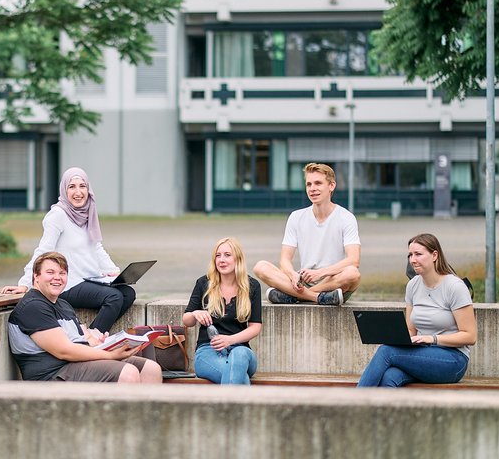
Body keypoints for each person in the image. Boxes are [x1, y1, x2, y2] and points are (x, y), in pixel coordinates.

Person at [2, 167, 133, 333]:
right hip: (68, 283)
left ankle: (93, 333)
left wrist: (114, 272)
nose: (78, 192)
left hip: (89, 279)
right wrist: (25, 284)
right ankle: (90, 340)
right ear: (64, 190)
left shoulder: (87, 212)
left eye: (82, 186)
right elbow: (43, 251)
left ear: (88, 189)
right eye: (72, 187)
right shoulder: (58, 215)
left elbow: (96, 247)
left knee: (128, 293)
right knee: (113, 297)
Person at [8, 251, 162, 383]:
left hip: (75, 365)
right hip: (52, 375)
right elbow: (64, 351)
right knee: (128, 373)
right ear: (36, 276)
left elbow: (85, 337)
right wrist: (110, 355)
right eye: (50, 272)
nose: (57, 277)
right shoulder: (33, 306)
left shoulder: (63, 305)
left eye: (62, 273)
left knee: (151, 369)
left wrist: (103, 342)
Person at [357, 233, 475, 387]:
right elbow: (411, 331)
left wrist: (433, 339)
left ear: (434, 255)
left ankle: (353, 403)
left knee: (386, 352)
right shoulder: (413, 285)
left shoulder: (455, 287)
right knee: (389, 376)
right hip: (421, 354)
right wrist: (394, 337)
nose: (412, 260)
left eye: (418, 254)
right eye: (410, 255)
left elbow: (470, 336)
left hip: (453, 360)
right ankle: (381, 410)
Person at [253, 162, 360, 305]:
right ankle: (316, 298)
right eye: (309, 184)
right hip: (303, 281)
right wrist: (292, 275)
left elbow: (353, 260)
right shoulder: (296, 217)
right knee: (260, 267)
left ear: (331, 186)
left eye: (318, 183)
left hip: (333, 283)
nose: (313, 189)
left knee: (352, 274)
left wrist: (320, 273)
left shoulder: (346, 218)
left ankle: (296, 296)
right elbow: (284, 260)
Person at [183, 237, 262, 385]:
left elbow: (255, 327)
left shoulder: (252, 286)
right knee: (240, 379)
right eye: (218, 256)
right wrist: (195, 314)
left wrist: (230, 340)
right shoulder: (204, 283)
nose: (221, 260)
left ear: (238, 259)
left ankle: (225, 407)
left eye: (227, 255)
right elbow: (186, 320)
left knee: (239, 355)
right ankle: (240, 407)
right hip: (208, 351)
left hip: (241, 351)